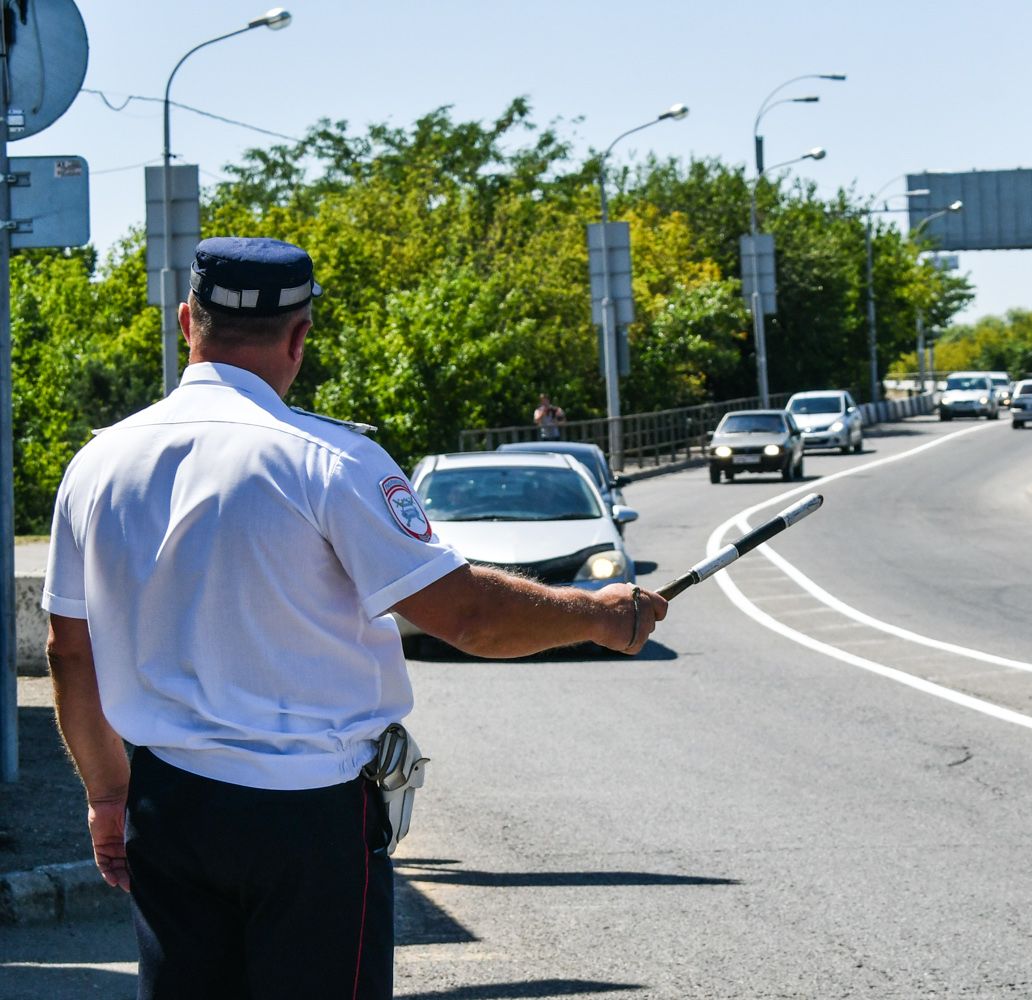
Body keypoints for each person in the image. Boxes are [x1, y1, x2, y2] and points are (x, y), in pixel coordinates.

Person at [42, 236, 667, 999]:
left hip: (167, 802)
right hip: (308, 817)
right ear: (300, 336)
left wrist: (108, 797)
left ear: (185, 323)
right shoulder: (330, 459)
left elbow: (69, 653)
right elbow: (468, 618)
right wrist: (599, 616)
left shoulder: (99, 462)